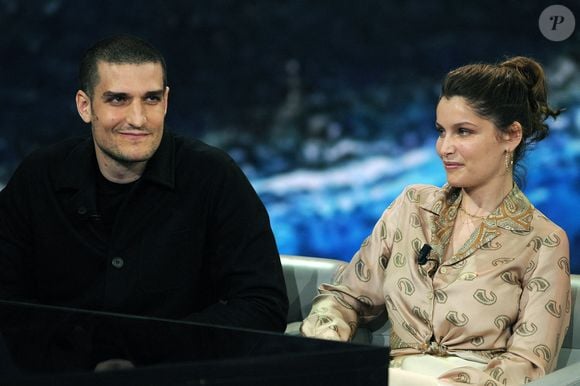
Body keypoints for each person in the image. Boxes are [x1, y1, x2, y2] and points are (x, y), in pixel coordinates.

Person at [0, 34, 288, 353]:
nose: (137, 119)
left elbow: (262, 305)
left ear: (165, 101)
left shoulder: (213, 176)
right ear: (85, 106)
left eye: (150, 99)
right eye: (118, 99)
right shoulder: (39, 177)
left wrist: (150, 355)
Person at [301, 56, 570, 386]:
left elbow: (529, 363)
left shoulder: (543, 239)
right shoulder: (412, 206)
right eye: (441, 132)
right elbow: (344, 298)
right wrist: (327, 337)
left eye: (464, 132)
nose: (445, 147)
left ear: (511, 135)